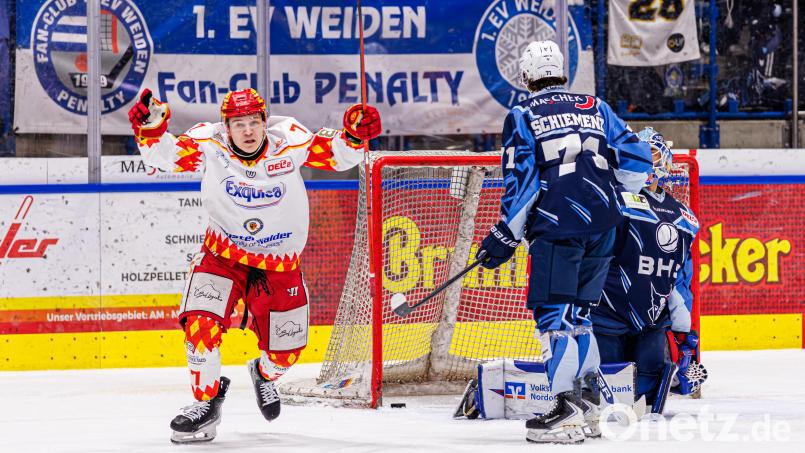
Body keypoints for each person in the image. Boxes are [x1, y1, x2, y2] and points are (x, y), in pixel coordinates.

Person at [127, 88, 381, 443]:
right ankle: (205, 405)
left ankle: (263, 374)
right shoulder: (208, 143)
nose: (247, 131)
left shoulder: (289, 140)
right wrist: (152, 129)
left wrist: (355, 134)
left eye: (253, 122)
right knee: (200, 325)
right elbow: (166, 156)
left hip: (279, 263)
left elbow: (338, 156)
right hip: (223, 255)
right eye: (238, 124)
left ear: (265, 122)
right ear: (226, 126)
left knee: (285, 354)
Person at [476, 40, 652, 444]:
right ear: (561, 72)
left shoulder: (523, 113)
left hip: (558, 226)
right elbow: (639, 157)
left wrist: (505, 235)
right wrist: (612, 199)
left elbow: (521, 184)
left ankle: (565, 408)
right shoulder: (595, 107)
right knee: (580, 315)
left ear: (526, 77)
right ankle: (589, 403)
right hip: (606, 227)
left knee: (553, 319)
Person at [591, 127, 705, 414]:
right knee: (606, 396)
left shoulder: (682, 216)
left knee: (649, 395)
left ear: (665, 160)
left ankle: (674, 376)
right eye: (637, 156)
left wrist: (683, 332)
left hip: (652, 319)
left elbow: (676, 279)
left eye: (651, 155)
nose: (645, 163)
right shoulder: (612, 199)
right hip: (607, 312)